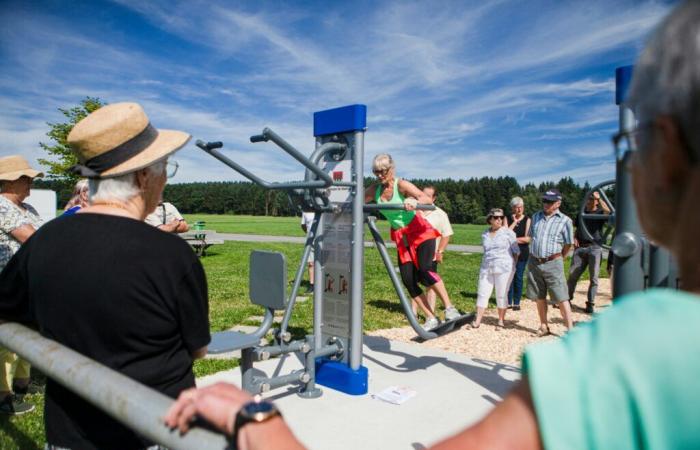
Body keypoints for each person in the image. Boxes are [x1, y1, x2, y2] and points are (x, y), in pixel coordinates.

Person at [166, 4, 700, 448]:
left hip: (416, 230)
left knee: (427, 275)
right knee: (411, 282)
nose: (376, 171)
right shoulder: (375, 186)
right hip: (393, 231)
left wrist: (259, 425)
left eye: (633, 146)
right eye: (373, 170)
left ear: (669, 147)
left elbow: (422, 198)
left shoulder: (637, 350)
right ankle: (432, 313)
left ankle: (445, 310)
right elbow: (360, 193)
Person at [0, 102, 211, 449]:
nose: (165, 180)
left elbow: (9, 312)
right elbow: (197, 349)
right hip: (156, 430)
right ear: (144, 176)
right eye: (165, 170)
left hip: (69, 431)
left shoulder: (43, 241)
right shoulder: (172, 255)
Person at [364, 154, 460, 330]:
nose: (379, 175)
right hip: (403, 238)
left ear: (391, 169)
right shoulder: (374, 190)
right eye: (376, 172)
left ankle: (449, 308)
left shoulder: (401, 185)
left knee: (425, 270)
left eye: (383, 171)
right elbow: (358, 201)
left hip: (421, 232)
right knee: (408, 280)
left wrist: (413, 200)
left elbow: (425, 198)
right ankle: (431, 317)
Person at [0, 154, 44, 415]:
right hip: (6, 282)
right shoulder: (2, 206)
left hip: (26, 282)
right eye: (25, 178)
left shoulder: (29, 209)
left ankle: (22, 384)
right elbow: (32, 237)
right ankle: (3, 396)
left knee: (28, 332)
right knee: (7, 341)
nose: (30, 183)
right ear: (10, 181)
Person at [527, 188, 574, 336]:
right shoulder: (535, 217)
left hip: (553, 262)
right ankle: (544, 326)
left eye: (550, 201)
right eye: (544, 201)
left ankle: (570, 330)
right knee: (539, 297)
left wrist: (559, 257)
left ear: (558, 203)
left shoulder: (565, 221)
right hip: (534, 262)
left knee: (561, 297)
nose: (546, 204)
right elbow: (532, 237)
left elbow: (568, 244)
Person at [471, 208, 519, 330]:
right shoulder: (485, 234)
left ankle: (501, 320)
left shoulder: (508, 233)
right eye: (496, 217)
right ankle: (478, 320)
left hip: (504, 268)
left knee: (501, 294)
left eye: (501, 218)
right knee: (482, 292)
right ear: (490, 219)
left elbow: (516, 252)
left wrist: (513, 267)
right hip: (487, 267)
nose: (499, 220)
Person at [567, 191, 610, 313]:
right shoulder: (581, 212)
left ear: (597, 201)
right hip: (580, 248)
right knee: (572, 275)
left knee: (594, 278)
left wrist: (600, 198)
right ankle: (567, 300)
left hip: (595, 248)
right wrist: (574, 237)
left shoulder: (600, 213)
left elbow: (609, 213)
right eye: (589, 198)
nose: (590, 200)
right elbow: (578, 227)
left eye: (592, 199)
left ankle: (590, 303)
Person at [420, 185, 454, 314]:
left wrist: (440, 251)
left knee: (430, 285)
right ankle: (413, 312)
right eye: (423, 194)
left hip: (430, 256)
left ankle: (431, 312)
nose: (425, 198)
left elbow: (447, 234)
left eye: (428, 196)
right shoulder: (414, 210)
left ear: (433, 198)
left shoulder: (440, 214)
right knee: (415, 284)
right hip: (414, 254)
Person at [507, 196, 531, 311]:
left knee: (518, 276)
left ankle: (516, 302)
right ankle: (508, 301)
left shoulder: (527, 219)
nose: (519, 209)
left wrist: (513, 239)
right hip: (509, 252)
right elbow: (505, 233)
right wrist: (515, 222)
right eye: (516, 207)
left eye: (521, 207)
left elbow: (527, 239)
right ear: (512, 208)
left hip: (522, 252)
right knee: (509, 277)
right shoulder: (507, 218)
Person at [300, 211, 316, 294]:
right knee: (311, 263)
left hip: (322, 240)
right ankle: (312, 285)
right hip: (310, 240)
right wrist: (308, 233)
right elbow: (303, 225)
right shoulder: (305, 211)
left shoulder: (322, 208)